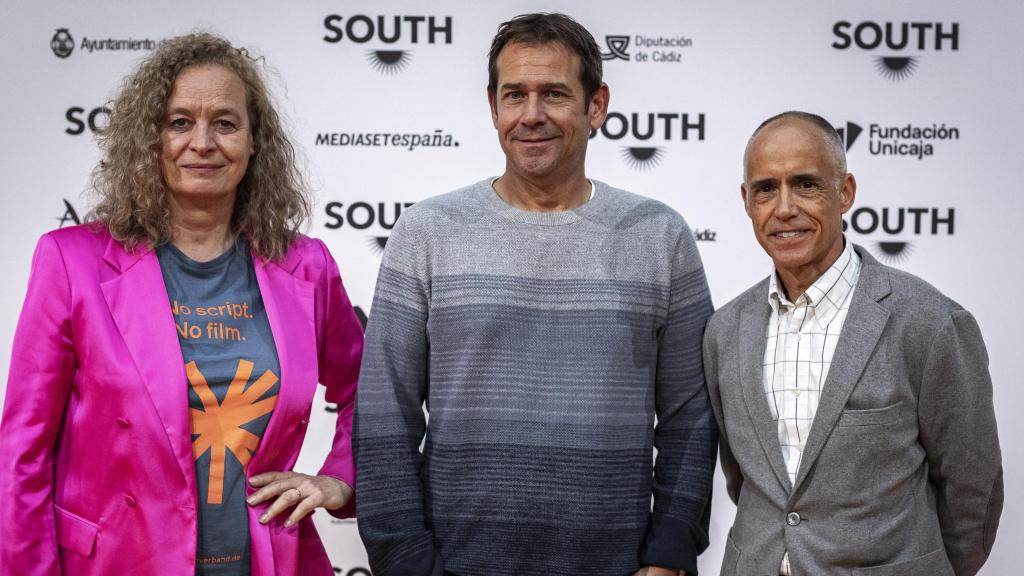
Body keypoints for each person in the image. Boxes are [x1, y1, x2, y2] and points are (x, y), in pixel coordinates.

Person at [354, 12, 716, 576]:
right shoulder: (427, 232)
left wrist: (669, 554)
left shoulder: (658, 236)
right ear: (492, 106)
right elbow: (385, 415)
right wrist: (404, 560)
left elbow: (690, 418)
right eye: (514, 94)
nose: (532, 115)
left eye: (554, 94)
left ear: (596, 105)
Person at [0, 33, 363, 575]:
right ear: (150, 139)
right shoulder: (71, 263)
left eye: (225, 122)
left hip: (270, 562)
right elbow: (21, 454)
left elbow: (370, 391)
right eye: (179, 122)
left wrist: (340, 479)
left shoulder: (305, 267)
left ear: (254, 141)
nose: (203, 141)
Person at [704, 111, 1003, 576]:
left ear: (844, 193)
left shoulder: (930, 322)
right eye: (765, 188)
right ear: (746, 201)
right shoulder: (724, 331)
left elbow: (973, 489)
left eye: (805, 184)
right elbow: (745, 480)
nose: (784, 208)